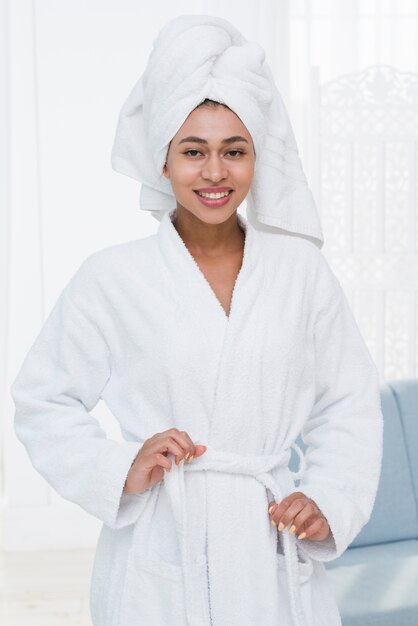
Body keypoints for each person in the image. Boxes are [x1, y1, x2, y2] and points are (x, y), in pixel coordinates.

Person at [10, 14, 383, 626]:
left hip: (272, 547)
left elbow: (348, 402)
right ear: (162, 161)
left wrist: (328, 498)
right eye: (193, 151)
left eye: (234, 151)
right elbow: (42, 400)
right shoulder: (111, 278)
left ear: (258, 158)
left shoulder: (300, 272)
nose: (215, 173)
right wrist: (118, 466)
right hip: (161, 545)